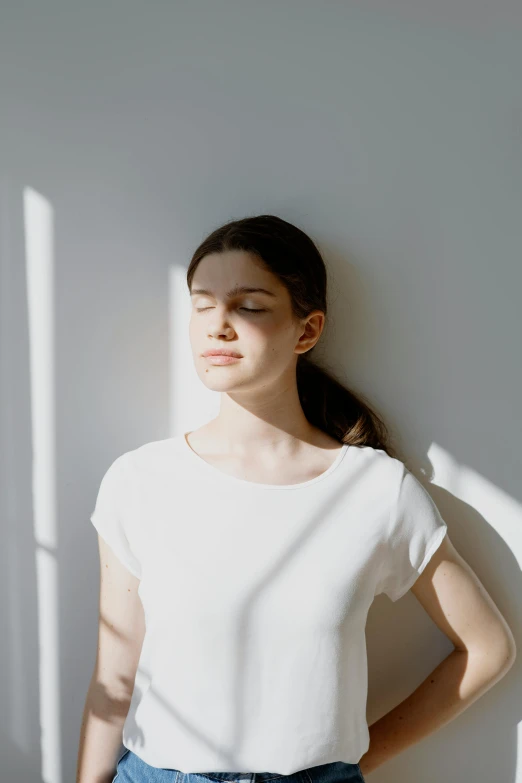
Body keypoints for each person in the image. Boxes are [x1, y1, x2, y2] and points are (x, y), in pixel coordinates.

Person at [77, 215, 516, 783]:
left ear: (306, 331)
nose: (218, 326)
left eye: (250, 306)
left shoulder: (376, 491)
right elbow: (112, 679)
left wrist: (353, 764)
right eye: (202, 304)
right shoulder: (138, 481)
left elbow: (487, 649)